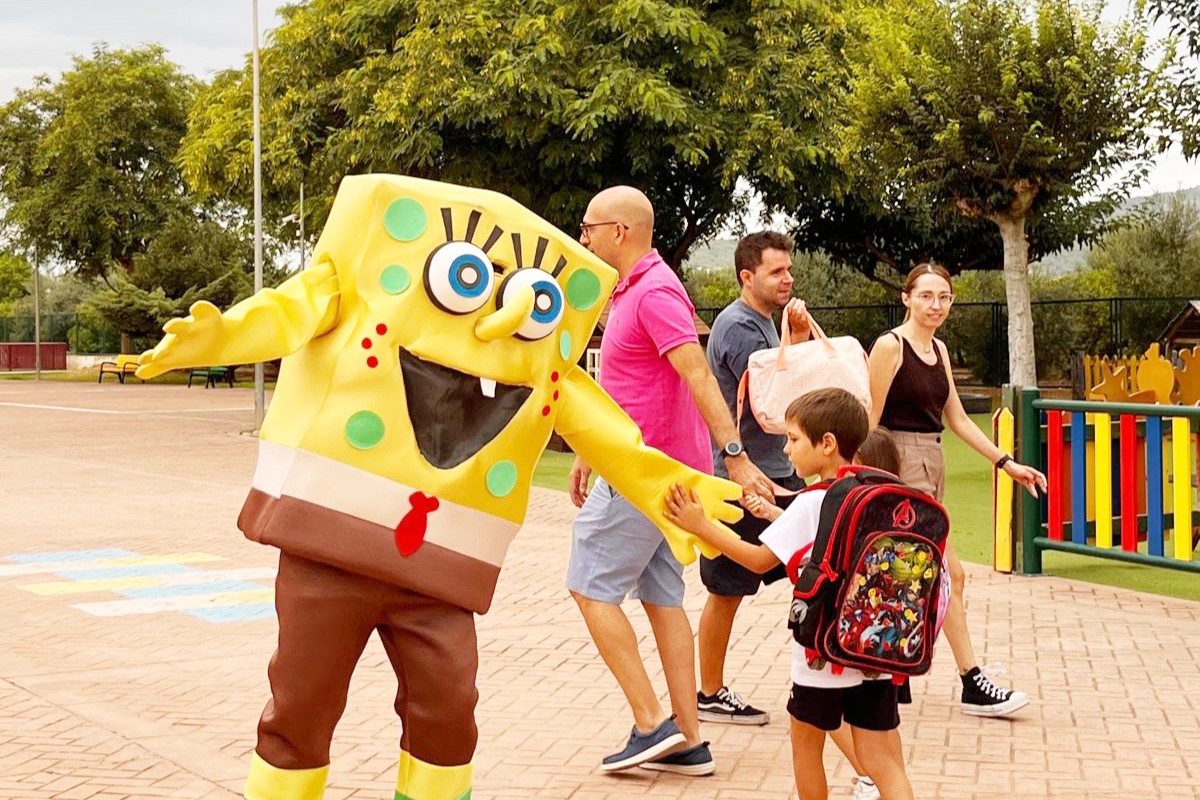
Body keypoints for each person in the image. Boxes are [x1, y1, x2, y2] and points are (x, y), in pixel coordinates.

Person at [566, 186, 775, 776]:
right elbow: (629, 384)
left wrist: (734, 454)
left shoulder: (654, 290)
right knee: (661, 600)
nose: (584, 238)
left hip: (646, 473)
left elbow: (697, 375)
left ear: (620, 232)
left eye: (589, 227)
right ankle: (687, 739)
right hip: (653, 470)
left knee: (589, 586)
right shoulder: (630, 290)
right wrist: (589, 450)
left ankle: (650, 723)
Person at [664, 388, 915, 800]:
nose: (787, 448)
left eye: (795, 439)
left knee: (806, 749)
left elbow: (760, 561)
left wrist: (700, 525)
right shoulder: (878, 497)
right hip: (874, 651)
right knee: (885, 762)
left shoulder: (814, 501)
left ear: (828, 444)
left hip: (821, 655)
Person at [867, 262, 1047, 717]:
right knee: (946, 575)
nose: (936, 305)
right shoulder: (890, 347)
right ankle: (971, 680)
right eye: (926, 296)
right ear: (907, 298)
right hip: (898, 464)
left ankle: (893, 674)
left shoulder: (939, 351)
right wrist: (864, 478)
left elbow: (959, 419)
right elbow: (869, 419)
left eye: (944, 297)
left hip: (932, 461)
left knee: (912, 574)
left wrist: (1006, 463)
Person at [697, 231, 811, 726]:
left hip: (781, 476)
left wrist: (795, 339)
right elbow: (777, 400)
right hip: (743, 480)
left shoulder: (765, 322)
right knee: (727, 588)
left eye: (788, 269)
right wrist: (801, 345)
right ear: (747, 276)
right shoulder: (740, 327)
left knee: (811, 573)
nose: (787, 278)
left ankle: (828, 666)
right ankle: (709, 691)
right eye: (776, 271)